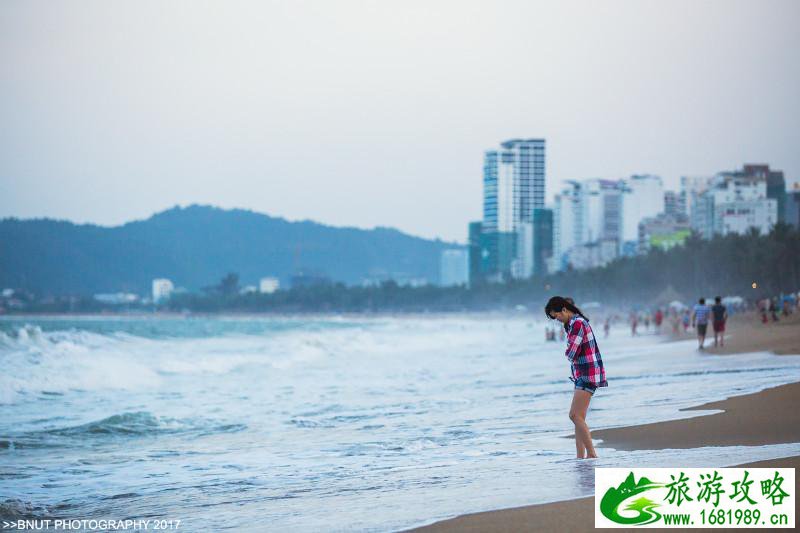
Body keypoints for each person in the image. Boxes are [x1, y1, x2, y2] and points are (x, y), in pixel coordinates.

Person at [545, 296, 608, 459]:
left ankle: (592, 454)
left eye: (557, 315)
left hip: (588, 373)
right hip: (582, 373)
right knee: (579, 418)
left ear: (564, 310)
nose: (557, 319)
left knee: (574, 416)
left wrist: (567, 352)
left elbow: (572, 352)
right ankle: (580, 457)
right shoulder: (573, 324)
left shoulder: (578, 323)